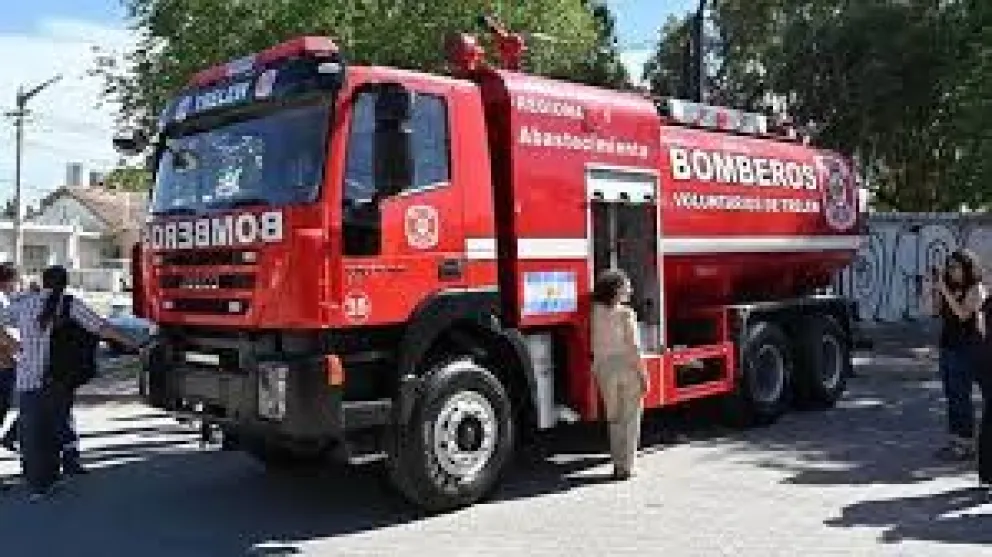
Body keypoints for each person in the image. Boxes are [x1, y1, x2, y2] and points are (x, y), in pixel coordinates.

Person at [0, 265, 141, 500]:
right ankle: (54, 475)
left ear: (43, 282)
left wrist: (12, 345)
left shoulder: (25, 304)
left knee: (32, 433)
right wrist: (133, 343)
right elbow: (101, 327)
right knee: (55, 426)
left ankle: (38, 484)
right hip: (58, 378)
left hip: (27, 378)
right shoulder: (69, 304)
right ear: (64, 283)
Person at [590, 269, 648, 480]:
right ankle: (627, 467)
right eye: (626, 286)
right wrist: (643, 374)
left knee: (613, 418)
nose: (630, 290)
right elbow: (633, 346)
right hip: (626, 366)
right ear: (616, 289)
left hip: (603, 368)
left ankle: (617, 464)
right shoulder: (626, 314)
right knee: (631, 418)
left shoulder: (594, 311)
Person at [928, 249, 986, 461]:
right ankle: (955, 441)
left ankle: (967, 443)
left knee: (962, 396)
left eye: (955, 267)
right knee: (951, 395)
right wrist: (935, 290)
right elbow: (934, 312)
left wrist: (944, 291)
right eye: (949, 267)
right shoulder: (949, 288)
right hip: (948, 346)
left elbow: (963, 315)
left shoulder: (975, 289)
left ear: (967, 267)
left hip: (968, 348)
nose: (951, 271)